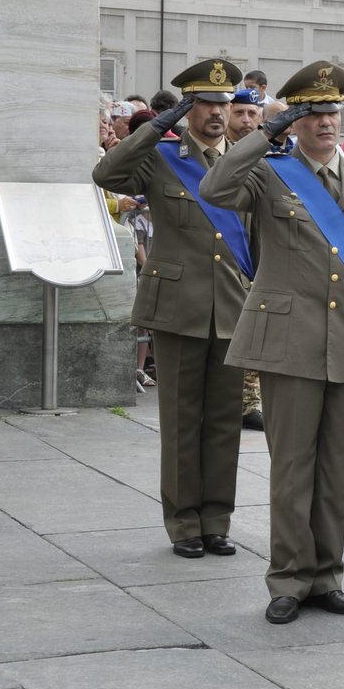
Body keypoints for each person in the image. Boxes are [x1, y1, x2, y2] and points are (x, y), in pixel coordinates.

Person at [201, 61, 344, 623]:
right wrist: (267, 133)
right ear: (296, 121)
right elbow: (214, 186)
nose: (325, 122)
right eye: (313, 113)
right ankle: (287, 578)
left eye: (332, 111)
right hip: (288, 340)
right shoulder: (269, 172)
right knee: (291, 468)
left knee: (335, 468)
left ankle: (326, 577)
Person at [92, 60, 250, 560]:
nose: (217, 113)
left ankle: (216, 520)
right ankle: (183, 523)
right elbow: (107, 173)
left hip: (232, 305)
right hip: (177, 306)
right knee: (183, 419)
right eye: (205, 103)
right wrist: (158, 124)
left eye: (225, 104)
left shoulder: (250, 160)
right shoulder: (163, 156)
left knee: (226, 419)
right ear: (188, 108)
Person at [225, 87, 267, 430]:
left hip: (258, 258)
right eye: (239, 113)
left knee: (255, 333)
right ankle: (233, 399)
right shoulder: (220, 158)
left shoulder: (267, 158)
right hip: (224, 261)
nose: (246, 121)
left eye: (253, 114)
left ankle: (250, 401)